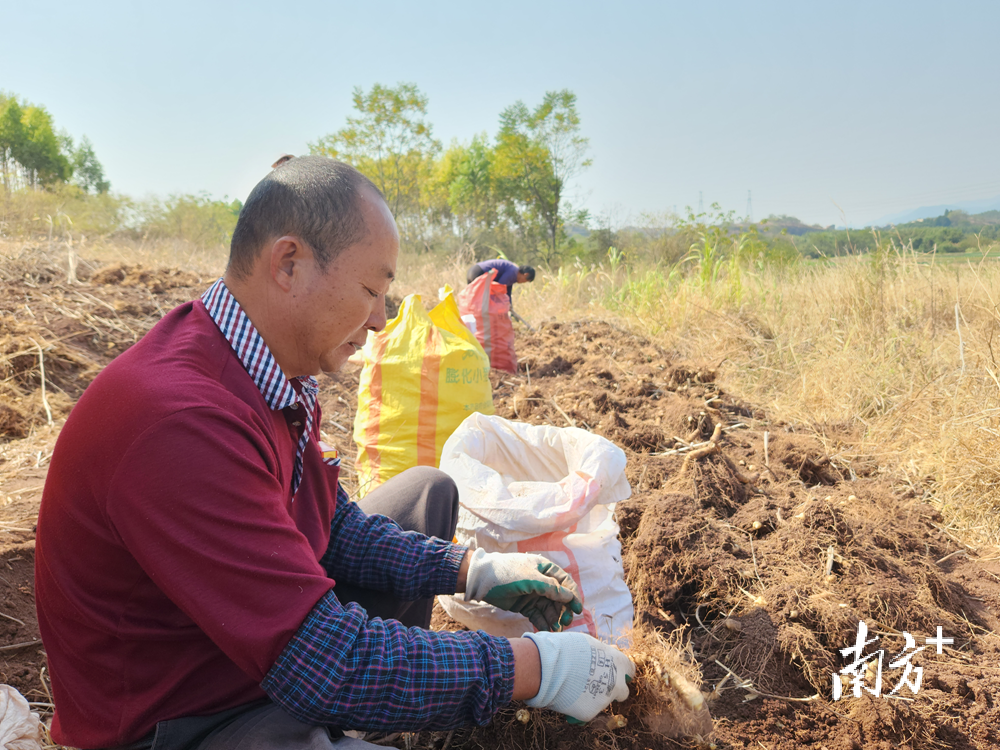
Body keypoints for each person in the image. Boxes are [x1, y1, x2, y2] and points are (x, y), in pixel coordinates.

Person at [34, 156, 633, 750]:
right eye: (372, 289)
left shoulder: (273, 372)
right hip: (185, 718)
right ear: (289, 264)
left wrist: (471, 570)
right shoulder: (180, 421)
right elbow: (328, 664)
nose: (380, 320)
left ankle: (353, 719)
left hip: (251, 660)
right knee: (339, 674)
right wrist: (532, 669)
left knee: (426, 492)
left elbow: (330, 526)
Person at [466, 258, 535, 307]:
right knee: (479, 301)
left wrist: (509, 306)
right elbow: (499, 289)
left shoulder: (513, 273)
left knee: (474, 299)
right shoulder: (513, 273)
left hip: (472, 271)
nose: (523, 282)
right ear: (526, 274)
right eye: (525, 280)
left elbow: (507, 294)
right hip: (479, 273)